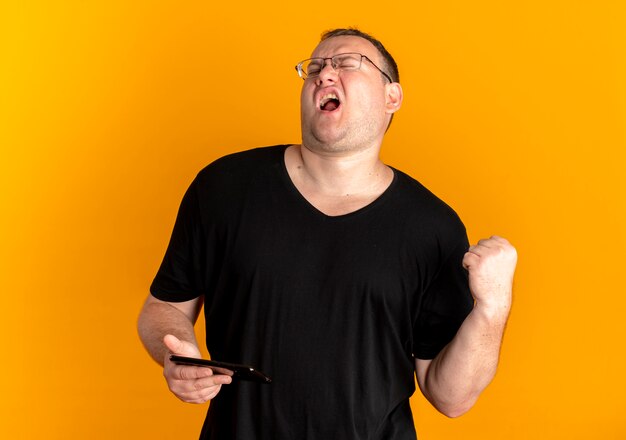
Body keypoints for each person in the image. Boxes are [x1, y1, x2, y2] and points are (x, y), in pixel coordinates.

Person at [138, 28, 517, 439]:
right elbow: (162, 309)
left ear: (392, 97)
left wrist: (492, 309)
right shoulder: (224, 188)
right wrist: (175, 354)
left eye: (347, 63)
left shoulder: (432, 227)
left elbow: (450, 397)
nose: (324, 74)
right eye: (315, 67)